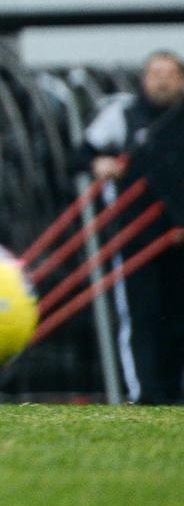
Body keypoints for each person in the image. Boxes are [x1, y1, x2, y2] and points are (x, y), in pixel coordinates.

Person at [76, 50, 184, 404]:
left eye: (170, 74)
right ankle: (146, 395)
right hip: (136, 235)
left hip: (179, 233)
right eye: (156, 74)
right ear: (144, 79)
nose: (162, 82)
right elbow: (81, 154)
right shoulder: (123, 114)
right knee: (142, 315)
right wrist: (100, 164)